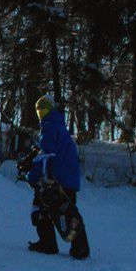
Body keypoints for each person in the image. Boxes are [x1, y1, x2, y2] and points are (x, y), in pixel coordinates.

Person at [18, 94, 90, 260]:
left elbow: (45, 156)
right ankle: (80, 247)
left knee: (40, 209)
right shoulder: (60, 127)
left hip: (57, 180)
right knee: (70, 212)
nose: (39, 113)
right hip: (70, 179)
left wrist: (32, 175)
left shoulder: (49, 127)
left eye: (40, 110)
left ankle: (48, 243)